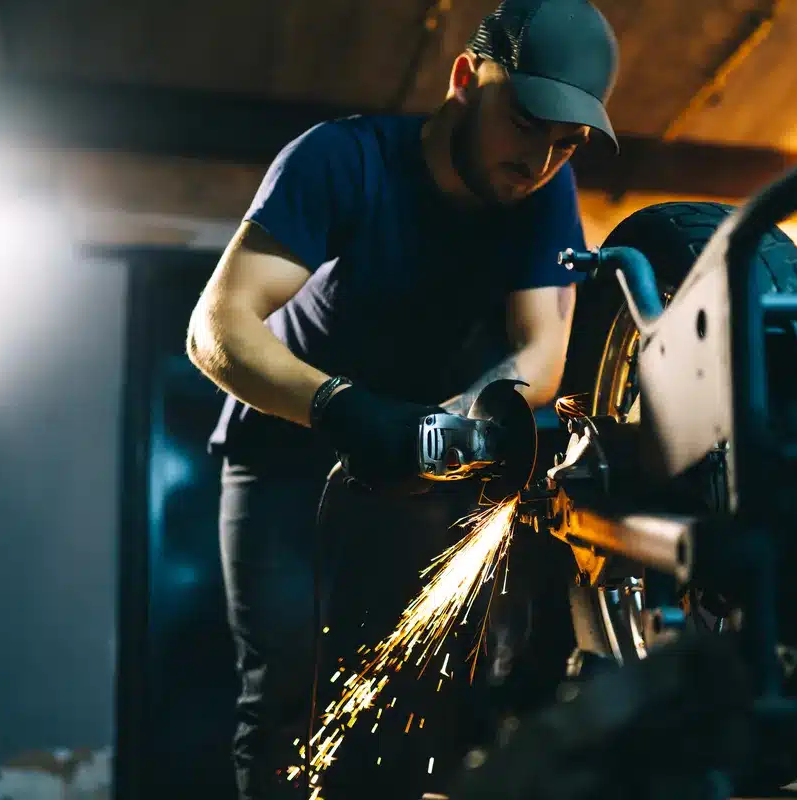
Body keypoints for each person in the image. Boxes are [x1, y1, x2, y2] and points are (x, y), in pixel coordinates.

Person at [185, 0, 620, 797]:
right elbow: (216, 327)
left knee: (405, 698)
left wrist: (453, 425)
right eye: (526, 123)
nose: (540, 161)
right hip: (284, 449)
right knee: (286, 692)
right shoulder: (341, 160)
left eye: (567, 144)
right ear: (465, 79)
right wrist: (341, 408)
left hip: (411, 457)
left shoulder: (543, 192)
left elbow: (541, 350)